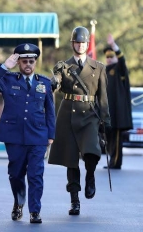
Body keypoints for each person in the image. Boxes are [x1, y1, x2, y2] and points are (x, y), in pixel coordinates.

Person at [0, 43, 55, 224]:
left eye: (31, 61)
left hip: (37, 136)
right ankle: (18, 202)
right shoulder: (8, 80)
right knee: (16, 174)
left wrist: (51, 135)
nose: (28, 64)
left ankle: (35, 211)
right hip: (14, 136)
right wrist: (5, 66)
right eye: (24, 61)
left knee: (36, 174)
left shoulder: (44, 83)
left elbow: (50, 111)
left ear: (35, 62)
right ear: (19, 63)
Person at [49, 26, 110, 216]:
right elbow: (56, 81)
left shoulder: (98, 67)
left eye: (83, 42)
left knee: (92, 151)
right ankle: (74, 200)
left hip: (90, 114)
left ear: (87, 44)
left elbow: (103, 97)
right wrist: (54, 81)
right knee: (70, 160)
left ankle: (90, 175)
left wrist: (105, 121)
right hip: (68, 113)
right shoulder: (64, 66)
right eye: (77, 42)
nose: (80, 45)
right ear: (73, 44)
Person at [103, 34, 132, 169]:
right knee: (108, 138)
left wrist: (114, 45)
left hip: (118, 111)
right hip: (108, 111)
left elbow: (122, 59)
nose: (109, 59)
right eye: (107, 57)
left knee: (117, 138)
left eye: (111, 56)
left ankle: (116, 162)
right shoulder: (105, 71)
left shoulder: (119, 69)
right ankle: (111, 160)